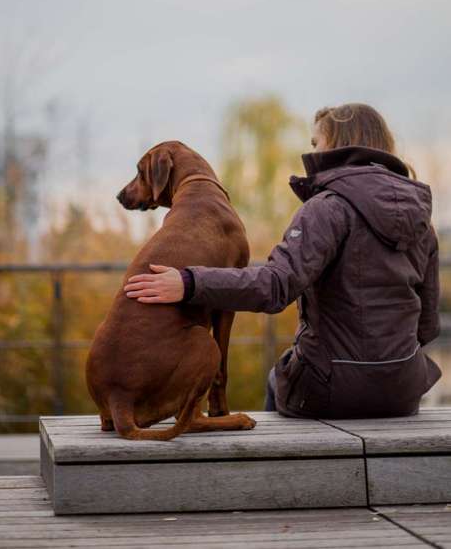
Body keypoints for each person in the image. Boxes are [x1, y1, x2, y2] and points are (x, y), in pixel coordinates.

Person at [124, 103, 441, 419]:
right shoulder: (421, 223)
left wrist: (189, 282)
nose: (312, 152)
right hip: (404, 389)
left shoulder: (327, 209)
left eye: (316, 143)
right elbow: (427, 325)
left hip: (332, 389)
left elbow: (275, 286)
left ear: (340, 143)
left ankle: (270, 469)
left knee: (279, 379)